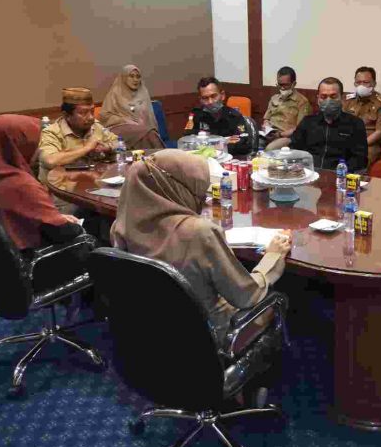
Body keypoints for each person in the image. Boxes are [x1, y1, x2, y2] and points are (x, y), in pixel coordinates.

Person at [110, 149, 292, 345]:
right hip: (211, 335)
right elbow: (246, 296)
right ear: (175, 187)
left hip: (149, 328)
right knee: (278, 302)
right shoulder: (199, 233)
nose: (202, 198)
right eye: (196, 190)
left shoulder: (120, 225)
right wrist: (271, 258)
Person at [0, 114, 84, 251]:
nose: (39, 150)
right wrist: (73, 225)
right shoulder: (21, 184)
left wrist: (55, 217)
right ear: (21, 145)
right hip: (33, 255)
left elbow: (21, 214)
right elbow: (63, 234)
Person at [38, 87, 118, 186]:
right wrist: (86, 148)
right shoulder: (52, 132)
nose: (91, 117)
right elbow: (51, 160)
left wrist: (108, 147)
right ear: (66, 115)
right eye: (83, 113)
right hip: (59, 190)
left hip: (92, 185)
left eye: (92, 111)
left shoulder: (95, 126)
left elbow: (119, 143)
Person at [289, 77, 368, 173]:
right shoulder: (308, 122)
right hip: (309, 174)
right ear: (318, 98)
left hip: (340, 175)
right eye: (323, 97)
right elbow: (294, 148)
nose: (328, 101)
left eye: (333, 96)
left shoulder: (355, 124)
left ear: (342, 97)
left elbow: (360, 159)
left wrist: (341, 171)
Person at [99, 64, 164, 150]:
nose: (135, 80)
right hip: (119, 129)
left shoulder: (143, 92)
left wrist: (142, 122)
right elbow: (104, 116)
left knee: (148, 133)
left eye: (138, 77)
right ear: (124, 77)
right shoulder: (115, 92)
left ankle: (156, 156)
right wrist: (124, 120)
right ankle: (160, 155)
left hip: (142, 128)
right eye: (131, 76)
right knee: (148, 134)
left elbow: (149, 116)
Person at [183, 77, 253, 155]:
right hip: (204, 159)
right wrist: (223, 142)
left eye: (213, 96)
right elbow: (187, 142)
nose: (210, 102)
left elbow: (244, 145)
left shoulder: (234, 116)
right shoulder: (196, 115)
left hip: (227, 158)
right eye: (205, 98)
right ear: (201, 100)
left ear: (222, 95)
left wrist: (208, 144)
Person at [342, 66, 381, 167]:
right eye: (358, 82)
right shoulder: (347, 100)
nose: (361, 86)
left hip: (368, 144)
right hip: (346, 140)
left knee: (357, 162)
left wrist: (359, 144)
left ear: (374, 84)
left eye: (365, 82)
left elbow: (380, 132)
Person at [263, 66, 312, 151]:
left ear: (294, 84)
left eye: (285, 85)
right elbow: (266, 119)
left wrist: (280, 134)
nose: (282, 88)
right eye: (280, 84)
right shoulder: (274, 98)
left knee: (270, 149)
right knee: (250, 142)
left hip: (287, 137)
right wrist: (266, 126)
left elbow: (300, 129)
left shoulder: (302, 102)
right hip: (270, 134)